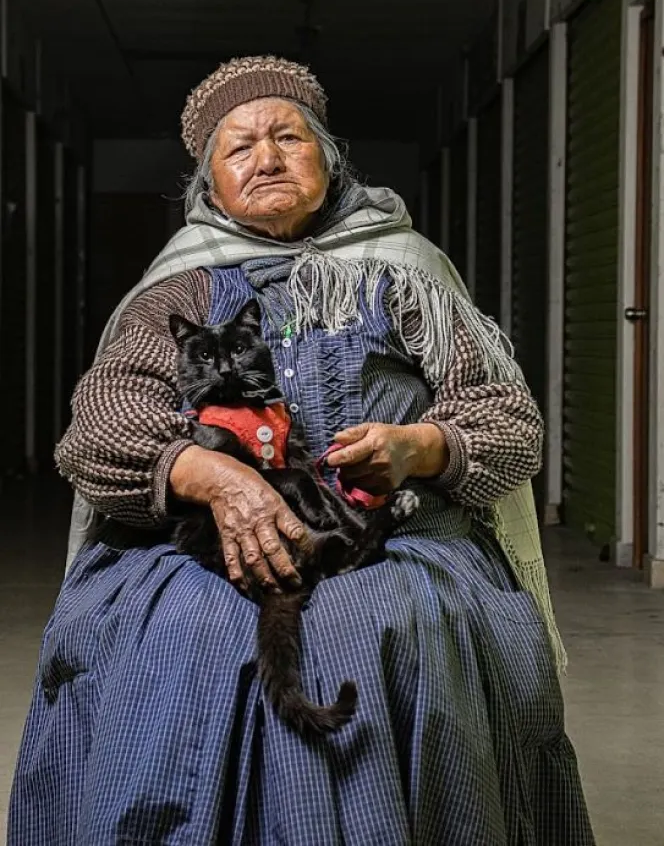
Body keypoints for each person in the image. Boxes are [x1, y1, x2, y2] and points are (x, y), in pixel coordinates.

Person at [9, 56, 595, 845]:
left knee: (385, 629)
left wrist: (420, 446)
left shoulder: (405, 275)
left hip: (393, 539)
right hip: (201, 548)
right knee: (185, 638)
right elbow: (102, 426)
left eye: (288, 136)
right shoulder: (177, 291)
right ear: (210, 186)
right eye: (240, 147)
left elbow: (507, 421)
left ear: (330, 157)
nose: (268, 159)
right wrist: (210, 476)